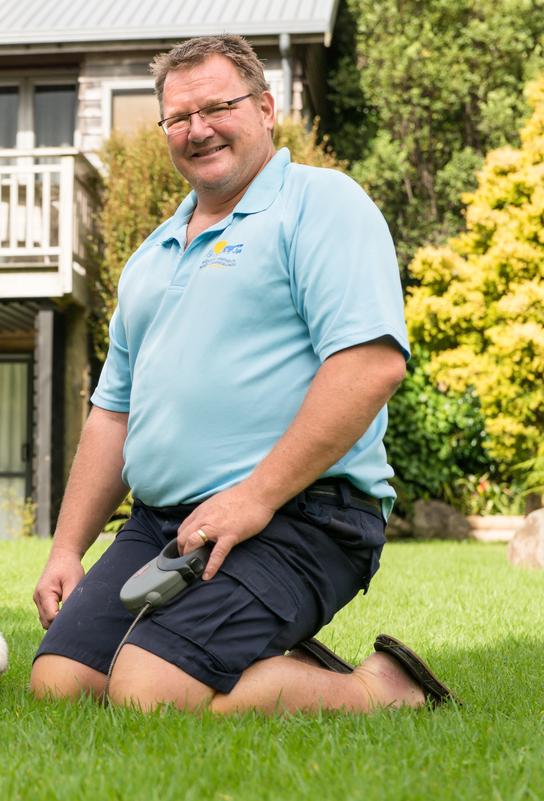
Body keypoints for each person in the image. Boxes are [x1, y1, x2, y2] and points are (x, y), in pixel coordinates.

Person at [30, 34, 455, 714]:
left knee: (148, 693)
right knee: (61, 684)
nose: (197, 129)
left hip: (302, 513)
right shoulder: (151, 257)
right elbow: (113, 412)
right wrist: (65, 549)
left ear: (265, 108)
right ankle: (258, 657)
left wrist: (255, 496)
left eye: (218, 107)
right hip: (164, 526)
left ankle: (381, 687)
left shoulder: (321, 203)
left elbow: (371, 365)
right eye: (178, 117)